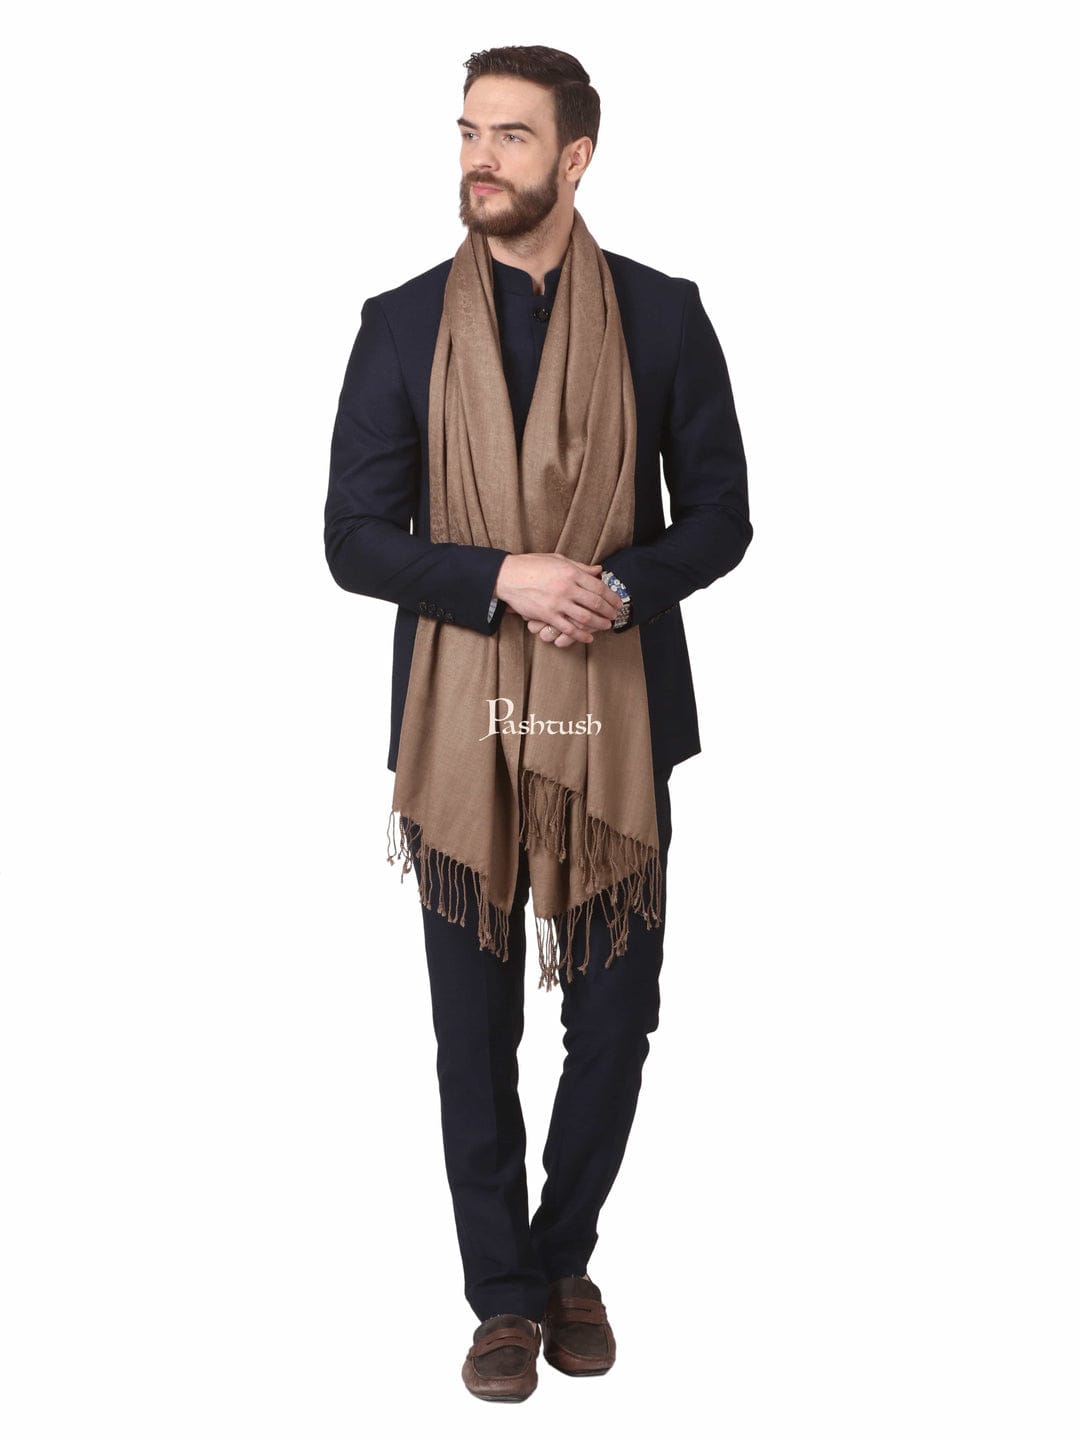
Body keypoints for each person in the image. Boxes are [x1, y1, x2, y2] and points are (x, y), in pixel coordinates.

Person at [324, 44, 751, 1402]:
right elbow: (352, 539)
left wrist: (616, 589)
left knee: (617, 1023)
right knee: (473, 1032)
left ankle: (565, 1260)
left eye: (510, 136)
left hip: (611, 726)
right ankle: (504, 1301)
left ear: (576, 157)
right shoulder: (403, 324)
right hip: (460, 727)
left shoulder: (664, 316)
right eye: (468, 131)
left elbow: (723, 518)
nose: (480, 158)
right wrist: (502, 577)